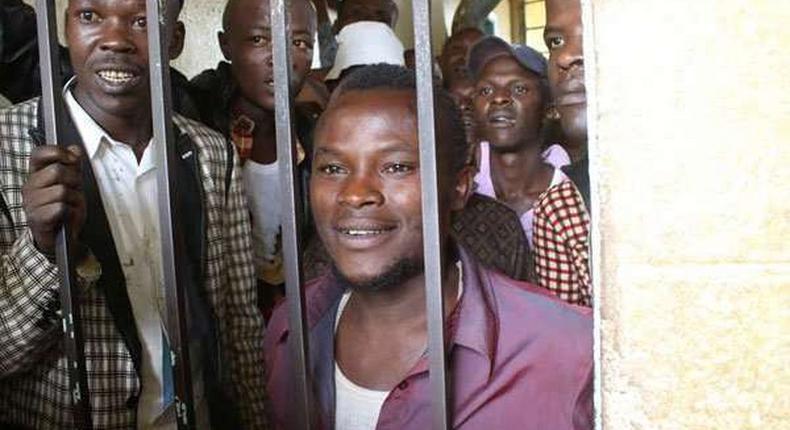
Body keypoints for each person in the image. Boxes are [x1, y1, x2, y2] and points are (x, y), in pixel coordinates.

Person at [264, 64, 593, 429]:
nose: (356, 194)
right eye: (333, 169)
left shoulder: (566, 350)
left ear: (459, 187)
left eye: (397, 166)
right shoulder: (288, 328)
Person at [0, 0, 267, 428]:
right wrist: (44, 253)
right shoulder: (6, 149)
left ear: (175, 40)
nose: (115, 40)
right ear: (65, 28)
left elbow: (239, 324)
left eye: (143, 21)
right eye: (90, 16)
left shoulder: (212, 152)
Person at [190, 0, 317, 315]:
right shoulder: (193, 127)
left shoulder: (314, 139)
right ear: (225, 45)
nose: (282, 59)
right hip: (216, 321)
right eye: (259, 40)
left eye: (299, 43)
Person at [468, 36, 568, 249]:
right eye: (485, 90)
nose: (499, 98)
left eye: (519, 89)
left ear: (550, 108)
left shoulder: (569, 195)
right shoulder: (462, 190)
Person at [532, 0, 592, 306]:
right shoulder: (560, 209)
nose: (566, 56)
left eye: (594, 32)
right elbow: (569, 345)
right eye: (555, 42)